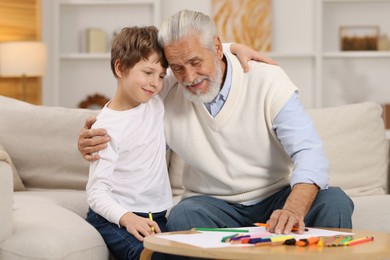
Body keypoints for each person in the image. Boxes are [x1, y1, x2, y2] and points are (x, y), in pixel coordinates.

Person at [80, 10, 354, 236]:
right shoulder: (165, 87)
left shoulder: (267, 80)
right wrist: (91, 139)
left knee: (334, 201)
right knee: (183, 218)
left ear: (217, 48)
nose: (188, 76)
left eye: (196, 62)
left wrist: (293, 209)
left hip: (275, 195)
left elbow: (310, 153)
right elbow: (128, 100)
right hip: (211, 205)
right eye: (176, 67)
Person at [85, 26, 171, 260]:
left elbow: (191, 57)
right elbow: (95, 192)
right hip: (115, 217)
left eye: (161, 75)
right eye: (148, 72)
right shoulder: (106, 128)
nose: (156, 83)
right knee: (152, 255)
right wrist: (126, 217)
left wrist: (232, 48)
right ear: (120, 67)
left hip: (157, 216)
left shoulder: (155, 101)